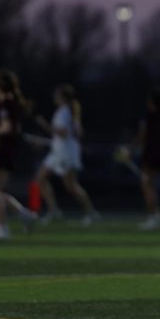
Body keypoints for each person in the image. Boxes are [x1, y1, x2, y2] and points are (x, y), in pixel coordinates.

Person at [35, 84, 100, 226]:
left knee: (70, 186)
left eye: (57, 95)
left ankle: (91, 212)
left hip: (66, 153)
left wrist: (45, 125)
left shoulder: (65, 111)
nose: (54, 97)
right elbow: (75, 133)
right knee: (39, 179)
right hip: (58, 151)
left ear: (62, 97)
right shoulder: (65, 111)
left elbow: (63, 133)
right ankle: (53, 211)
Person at [0, 69, 38, 240]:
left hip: (1, 149)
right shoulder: (11, 102)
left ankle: (3, 229)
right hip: (7, 149)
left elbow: (7, 128)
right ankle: (25, 214)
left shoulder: (5, 103)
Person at [132, 88, 160, 230]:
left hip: (151, 154)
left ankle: (154, 215)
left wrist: (129, 150)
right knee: (150, 184)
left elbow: (141, 135)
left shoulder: (149, 117)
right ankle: (154, 215)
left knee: (147, 185)